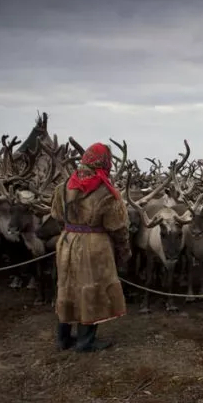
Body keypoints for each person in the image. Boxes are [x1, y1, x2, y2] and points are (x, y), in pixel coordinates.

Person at [50, 142, 131, 353]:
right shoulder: (106, 191)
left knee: (66, 287)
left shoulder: (64, 185)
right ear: (106, 163)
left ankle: (63, 338)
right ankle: (86, 342)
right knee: (91, 290)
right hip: (95, 245)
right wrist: (124, 252)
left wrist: (71, 230)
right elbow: (118, 227)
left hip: (67, 241)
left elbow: (56, 215)